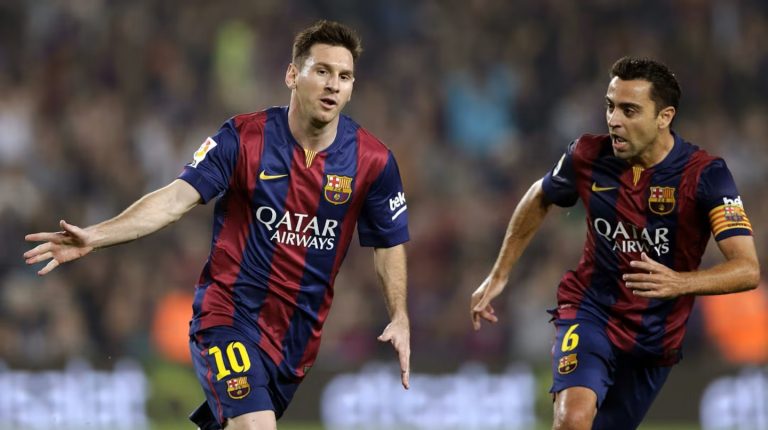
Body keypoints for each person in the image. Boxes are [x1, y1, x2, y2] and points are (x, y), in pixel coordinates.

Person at [24, 20, 411, 430]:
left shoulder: (373, 162)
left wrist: (400, 315)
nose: (333, 85)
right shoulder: (243, 138)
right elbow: (174, 199)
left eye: (344, 76)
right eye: (322, 71)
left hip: (294, 343)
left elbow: (388, 242)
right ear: (292, 75)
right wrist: (96, 236)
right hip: (228, 317)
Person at [470, 56, 760, 430]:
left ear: (664, 117)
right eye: (610, 106)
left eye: (629, 110)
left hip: (654, 339)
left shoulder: (706, 176)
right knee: (573, 420)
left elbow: (747, 269)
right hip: (591, 311)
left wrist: (680, 282)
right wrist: (500, 273)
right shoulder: (587, 155)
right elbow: (540, 195)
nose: (613, 120)